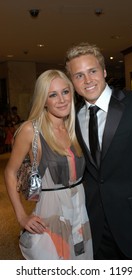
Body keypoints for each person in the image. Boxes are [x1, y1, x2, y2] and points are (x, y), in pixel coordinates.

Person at [65, 42, 132, 260]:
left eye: (92, 71)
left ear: (104, 71)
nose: (87, 80)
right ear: (72, 82)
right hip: (94, 227)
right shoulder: (72, 118)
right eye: (79, 75)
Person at [4, 69, 93, 260]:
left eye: (65, 92)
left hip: (80, 208)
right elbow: (10, 172)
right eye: (53, 94)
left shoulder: (75, 127)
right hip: (52, 211)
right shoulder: (31, 130)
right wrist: (21, 216)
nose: (61, 100)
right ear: (43, 100)